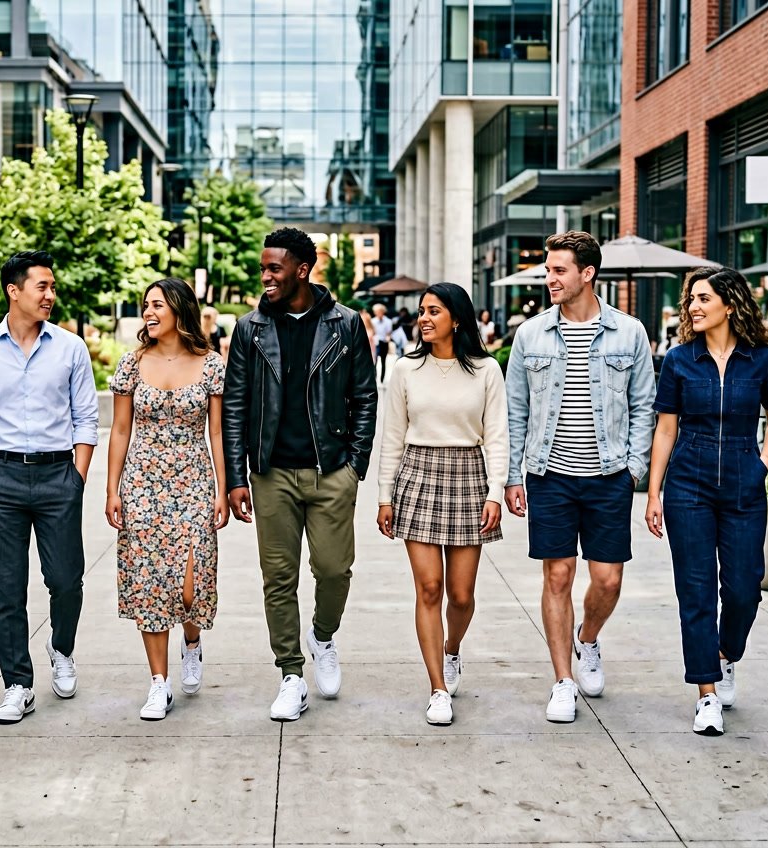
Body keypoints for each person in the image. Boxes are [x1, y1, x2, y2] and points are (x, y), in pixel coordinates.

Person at [224, 227, 377, 722]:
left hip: (331, 470)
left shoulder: (344, 324)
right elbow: (234, 406)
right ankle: (291, 673)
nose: (265, 277)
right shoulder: (249, 329)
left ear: (302, 270)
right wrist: (236, 476)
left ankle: (323, 636)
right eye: (263, 268)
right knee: (278, 578)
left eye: (275, 268)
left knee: (333, 570)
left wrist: (354, 466)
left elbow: (365, 396)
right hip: (271, 473)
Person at [504, 231, 655, 724]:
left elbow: (644, 406)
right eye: (548, 270)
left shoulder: (629, 332)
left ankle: (587, 639)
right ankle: (563, 680)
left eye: (559, 270)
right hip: (550, 474)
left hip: (609, 475)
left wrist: (633, 470)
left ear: (587, 274)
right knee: (558, 575)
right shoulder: (530, 335)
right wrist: (513, 477)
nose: (549, 278)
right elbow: (516, 410)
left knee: (608, 580)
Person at [644, 267, 768, 736]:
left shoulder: (761, 358)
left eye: (703, 298)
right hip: (689, 483)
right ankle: (706, 692)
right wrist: (654, 492)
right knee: (696, 590)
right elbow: (666, 429)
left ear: (730, 303)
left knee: (745, 587)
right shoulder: (679, 360)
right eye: (691, 300)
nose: (693, 307)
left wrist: (760, 465)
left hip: (745, 480)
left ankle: (725, 654)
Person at [0, 250, 98, 726]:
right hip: (1, 478)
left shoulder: (70, 348)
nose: (50, 295)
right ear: (13, 291)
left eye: (52, 287)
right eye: (42, 286)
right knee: (7, 587)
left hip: (59, 475)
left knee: (66, 580)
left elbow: (86, 418)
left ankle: (62, 647)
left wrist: (77, 477)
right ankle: (17, 684)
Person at [376, 283, 508, 726]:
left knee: (462, 595)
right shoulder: (405, 369)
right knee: (429, 589)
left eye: (434, 311)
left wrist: (495, 491)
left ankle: (452, 649)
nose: (424, 318)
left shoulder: (487, 370)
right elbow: (392, 437)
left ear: (457, 318)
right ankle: (437, 688)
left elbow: (497, 435)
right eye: (422, 311)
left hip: (469, 476)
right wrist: (384, 496)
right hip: (418, 475)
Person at [106, 278, 228, 721]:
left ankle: (191, 642)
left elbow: (217, 432)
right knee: (150, 582)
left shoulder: (211, 364)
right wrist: (112, 489)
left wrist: (221, 489)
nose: (148, 312)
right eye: (146, 305)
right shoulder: (132, 363)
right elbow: (121, 429)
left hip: (194, 481)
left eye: (157, 304)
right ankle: (159, 683)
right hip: (143, 483)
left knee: (192, 587)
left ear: (179, 309)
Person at [371, 303, 393, 380]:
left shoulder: (388, 321)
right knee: (375, 361)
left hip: (384, 343)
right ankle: (375, 378)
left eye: (380, 311)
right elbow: (372, 332)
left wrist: (388, 338)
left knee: (383, 361)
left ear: (383, 312)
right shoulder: (372, 321)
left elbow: (389, 333)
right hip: (376, 343)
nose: (378, 313)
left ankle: (382, 379)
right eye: (377, 311)